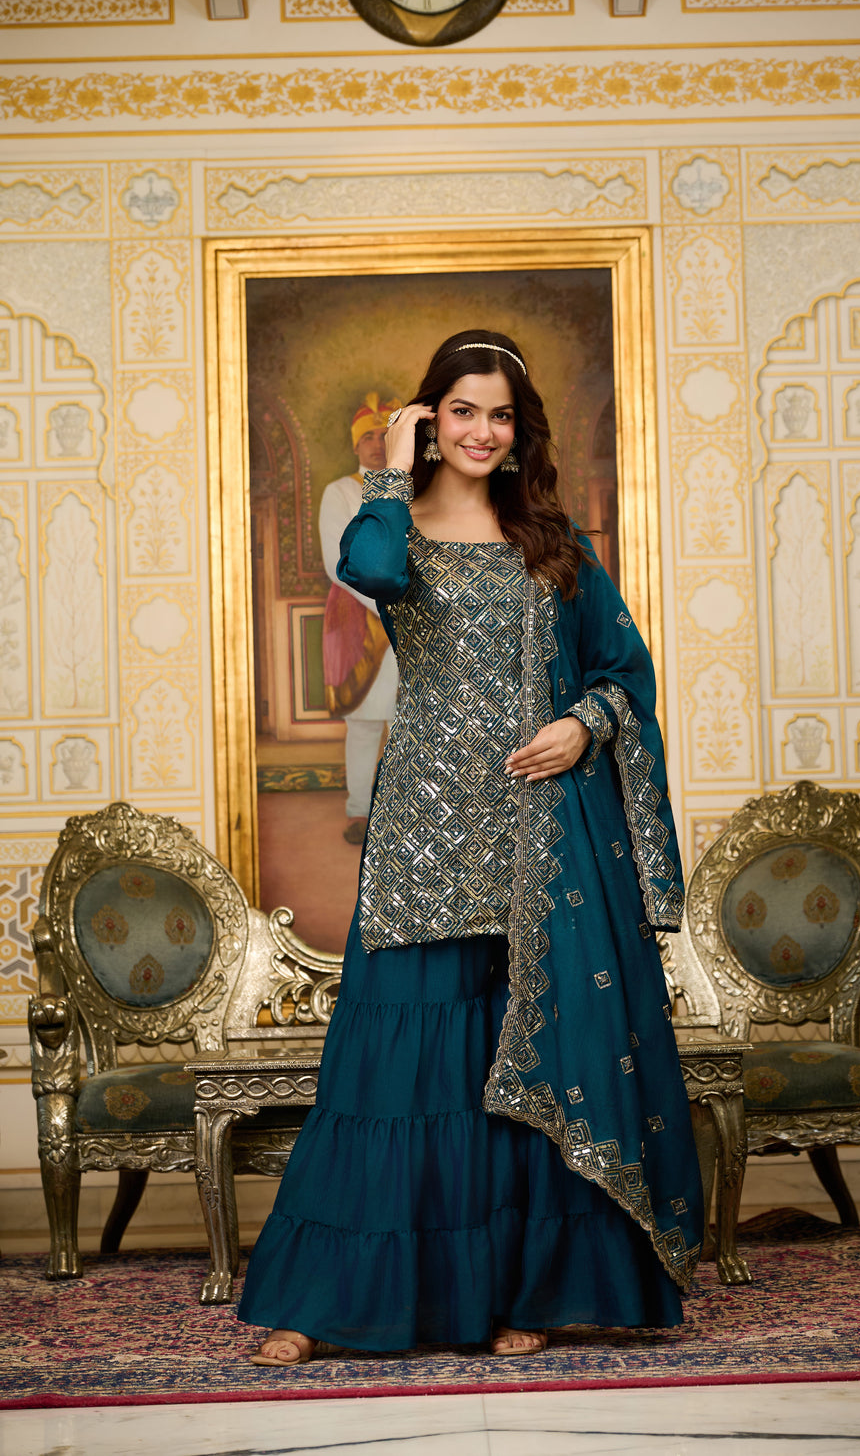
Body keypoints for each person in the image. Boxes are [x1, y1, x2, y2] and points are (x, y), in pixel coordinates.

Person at [239, 329, 704, 1363]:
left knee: (523, 1064)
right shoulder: (393, 527)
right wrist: (384, 472)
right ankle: (325, 1303)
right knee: (395, 1073)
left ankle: (519, 1295)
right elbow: (358, 571)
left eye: (499, 414)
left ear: (517, 428)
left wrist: (584, 724)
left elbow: (624, 674)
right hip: (423, 831)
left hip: (542, 837)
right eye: (461, 411)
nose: (482, 432)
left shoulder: (553, 545)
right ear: (429, 419)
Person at [318, 392, 401, 845]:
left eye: (384, 434)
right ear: (355, 445)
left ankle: (409, 814)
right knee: (366, 721)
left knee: (412, 717)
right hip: (359, 616)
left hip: (411, 616)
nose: (376, 443)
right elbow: (338, 563)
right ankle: (359, 811)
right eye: (368, 436)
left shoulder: (414, 487)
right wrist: (384, 604)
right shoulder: (342, 492)